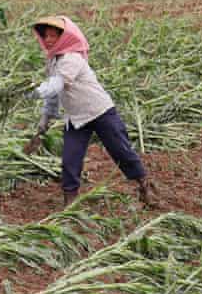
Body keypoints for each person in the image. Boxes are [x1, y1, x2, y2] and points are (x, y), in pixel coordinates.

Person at [24, 16, 155, 208]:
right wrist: (45, 118)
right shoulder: (52, 61)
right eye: (46, 36)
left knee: (121, 151)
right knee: (70, 159)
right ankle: (70, 201)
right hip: (77, 118)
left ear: (64, 37)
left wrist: (34, 93)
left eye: (54, 35)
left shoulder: (72, 58)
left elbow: (57, 84)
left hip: (100, 111)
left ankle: (144, 184)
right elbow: (53, 95)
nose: (49, 39)